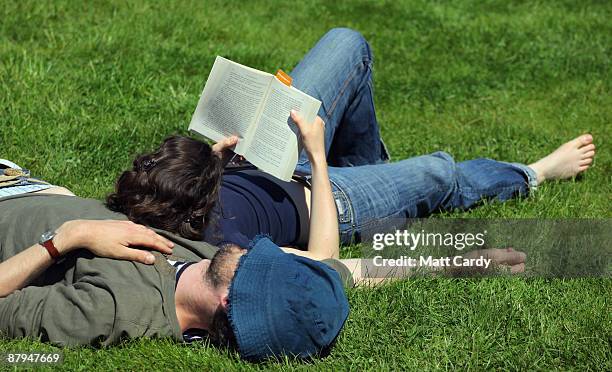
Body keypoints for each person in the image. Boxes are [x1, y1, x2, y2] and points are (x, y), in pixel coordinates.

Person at [107, 28, 595, 256]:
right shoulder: (221, 252)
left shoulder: (156, 200)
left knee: (347, 44)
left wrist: (219, 160)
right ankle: (534, 173)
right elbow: (322, 261)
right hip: (328, 197)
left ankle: (375, 170)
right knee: (439, 172)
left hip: (272, 154)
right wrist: (318, 159)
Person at [0, 170, 350, 361]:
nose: (246, 251)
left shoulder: (112, 311)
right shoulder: (206, 264)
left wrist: (67, 238)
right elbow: (335, 267)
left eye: (252, 264)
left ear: (229, 301)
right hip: (21, 182)